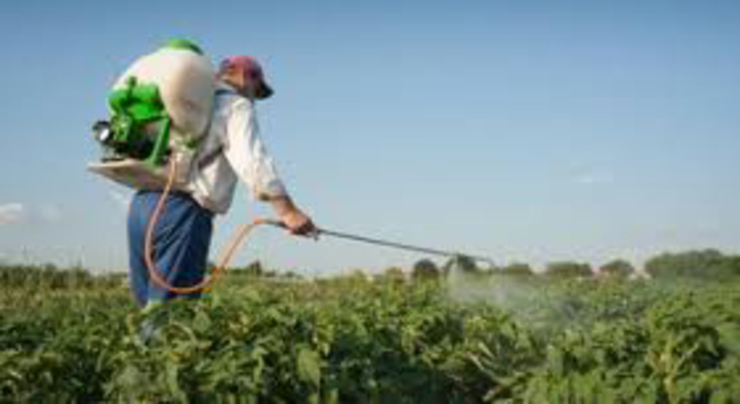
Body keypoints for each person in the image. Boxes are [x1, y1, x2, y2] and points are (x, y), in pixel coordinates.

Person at [127, 55, 317, 309]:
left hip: (142, 205)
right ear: (245, 77)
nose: (253, 97)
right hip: (182, 210)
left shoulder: (182, 102)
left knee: (146, 307)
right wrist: (289, 212)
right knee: (171, 317)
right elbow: (253, 162)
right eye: (256, 89)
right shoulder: (235, 105)